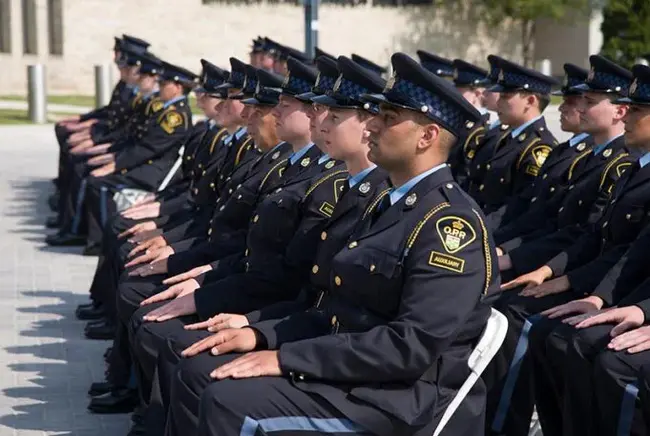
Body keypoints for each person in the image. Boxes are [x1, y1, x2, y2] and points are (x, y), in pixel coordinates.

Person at [160, 52, 496, 436]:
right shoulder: (389, 202)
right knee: (199, 370)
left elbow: (409, 347)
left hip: (392, 401)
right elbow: (335, 311)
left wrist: (286, 358)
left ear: (427, 136)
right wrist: (261, 334)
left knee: (227, 401)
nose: (371, 127)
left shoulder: (448, 225)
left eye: (387, 119)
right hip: (351, 375)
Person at [485, 56, 642, 436]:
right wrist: (548, 271)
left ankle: (505, 425)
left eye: (588, 102)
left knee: (531, 325)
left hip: (610, 285)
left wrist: (574, 284)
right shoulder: (622, 164)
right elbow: (541, 220)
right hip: (594, 278)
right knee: (517, 313)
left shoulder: (620, 164)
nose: (577, 108)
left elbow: (607, 243)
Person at [526, 63, 650, 436]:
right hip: (625, 291)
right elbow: (628, 250)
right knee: (550, 332)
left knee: (609, 362)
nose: (627, 115)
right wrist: (597, 298)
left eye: (639, 110)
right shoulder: (632, 169)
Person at [485, 63, 593, 234]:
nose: (560, 107)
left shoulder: (541, 147)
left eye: (570, 102)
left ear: (530, 100)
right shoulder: (561, 150)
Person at [468, 57, 559, 215]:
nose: (498, 103)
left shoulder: (538, 146)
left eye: (505, 96)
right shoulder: (508, 138)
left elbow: (519, 207)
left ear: (530, 101)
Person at [448, 58, 491, 186]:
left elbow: (466, 174)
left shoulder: (479, 131)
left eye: (460, 92)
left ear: (477, 94)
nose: (455, 95)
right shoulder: (462, 121)